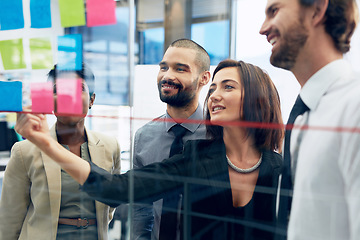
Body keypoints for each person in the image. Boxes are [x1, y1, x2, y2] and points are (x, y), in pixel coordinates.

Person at [14, 59, 284, 239]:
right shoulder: (195, 156)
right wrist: (47, 143)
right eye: (213, 87)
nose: (214, 95)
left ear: (257, 98)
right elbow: (115, 188)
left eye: (228, 87)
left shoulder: (280, 169)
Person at [259, 0, 360, 239]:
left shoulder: (354, 107)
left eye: (274, 11)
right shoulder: (305, 117)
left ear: (317, 10)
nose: (263, 28)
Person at [0, 64, 121, 240]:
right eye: (59, 89)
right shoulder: (24, 151)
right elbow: (9, 220)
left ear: (92, 100)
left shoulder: (110, 146)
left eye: (78, 88)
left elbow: (110, 207)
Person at [132, 38, 210, 240]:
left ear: (204, 78)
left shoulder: (218, 135)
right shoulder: (144, 136)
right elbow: (141, 206)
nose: (167, 76)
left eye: (180, 69)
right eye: (164, 67)